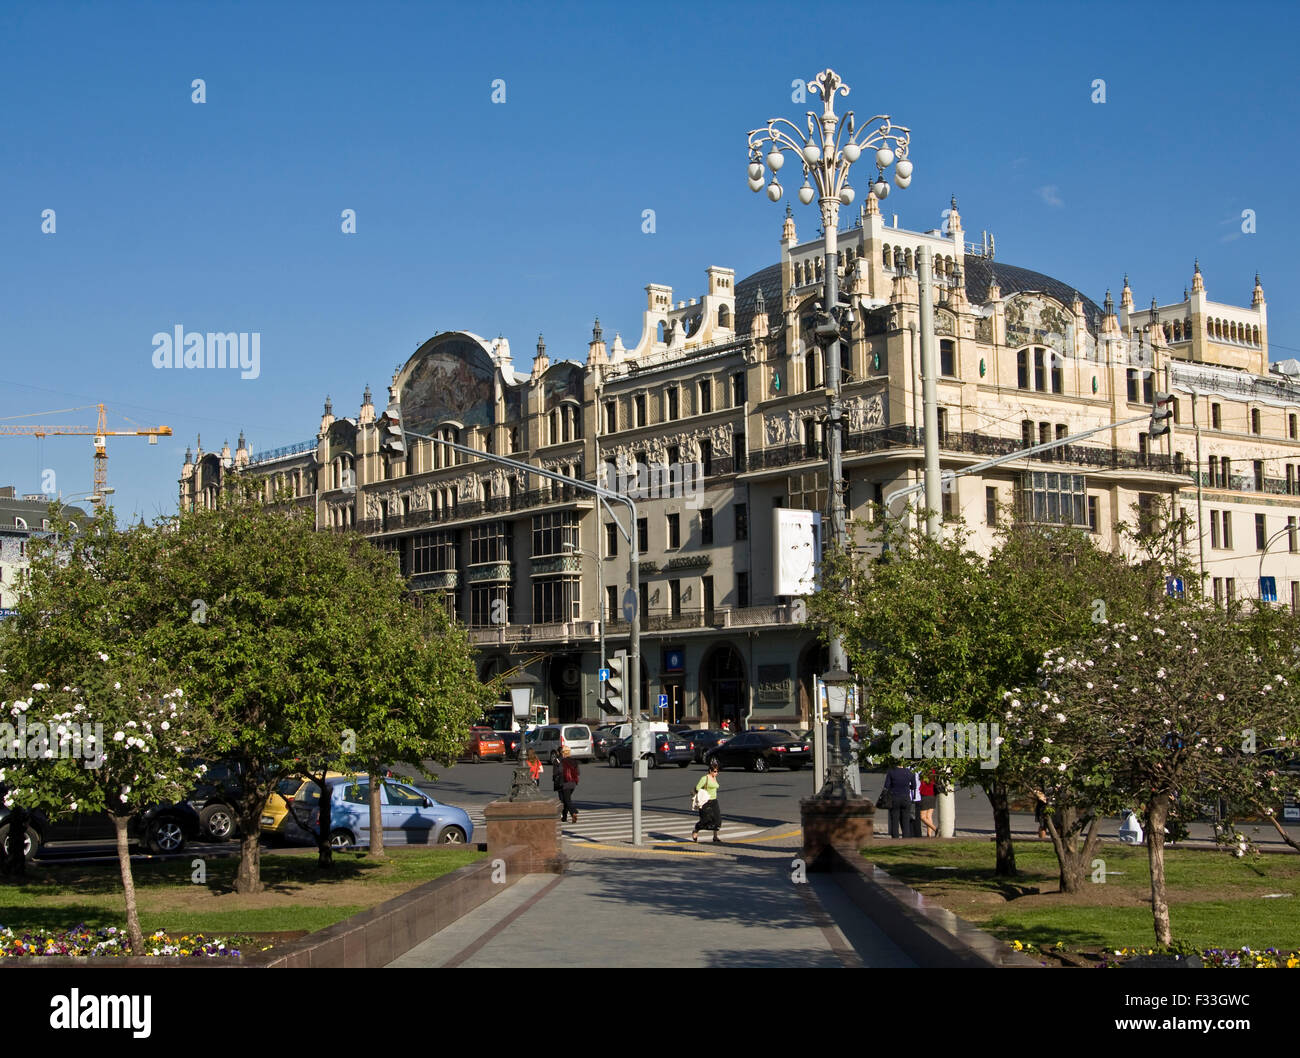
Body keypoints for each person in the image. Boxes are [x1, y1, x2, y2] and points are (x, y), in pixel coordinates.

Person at [883, 758, 916, 839]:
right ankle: (906, 837)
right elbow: (914, 786)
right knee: (905, 819)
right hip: (906, 798)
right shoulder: (910, 772)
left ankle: (895, 838)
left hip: (894, 797)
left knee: (894, 819)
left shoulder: (891, 772)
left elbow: (886, 786)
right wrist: (908, 786)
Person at [692, 759, 722, 843]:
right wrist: (704, 793)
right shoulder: (705, 778)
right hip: (706, 802)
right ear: (710, 771)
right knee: (706, 820)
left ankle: (715, 837)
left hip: (714, 801)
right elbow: (697, 788)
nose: (716, 773)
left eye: (717, 771)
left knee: (717, 820)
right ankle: (696, 829)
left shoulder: (714, 778)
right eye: (715, 771)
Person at [553, 745, 580, 823]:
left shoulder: (562, 762)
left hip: (565, 783)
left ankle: (573, 812)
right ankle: (564, 817)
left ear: (563, 753)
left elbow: (560, 772)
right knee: (566, 799)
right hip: (573, 784)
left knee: (567, 800)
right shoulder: (575, 761)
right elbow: (578, 772)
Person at [919, 770, 937, 837]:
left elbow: (921, 786)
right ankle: (929, 835)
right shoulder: (934, 772)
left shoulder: (924, 773)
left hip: (925, 795)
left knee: (922, 817)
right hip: (933, 796)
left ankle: (936, 829)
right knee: (929, 816)